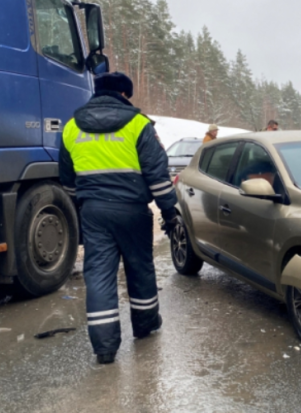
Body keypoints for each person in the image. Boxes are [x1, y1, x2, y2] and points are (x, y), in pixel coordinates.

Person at [59, 72, 178, 365]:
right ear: (124, 95)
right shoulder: (138, 125)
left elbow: (67, 178)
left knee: (98, 275)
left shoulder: (72, 127)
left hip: (94, 212)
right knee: (139, 268)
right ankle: (145, 325)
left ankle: (105, 347)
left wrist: (82, 202)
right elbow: (157, 174)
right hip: (132, 210)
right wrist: (169, 211)